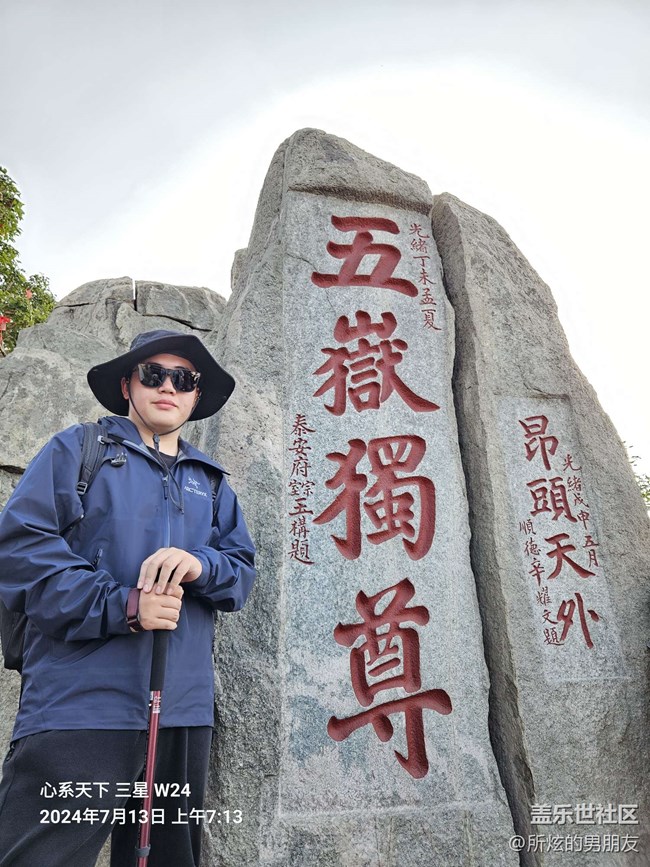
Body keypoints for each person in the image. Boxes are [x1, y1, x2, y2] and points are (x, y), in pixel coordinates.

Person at [0, 329, 256, 867]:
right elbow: (20, 552)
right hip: (79, 707)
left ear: (195, 394)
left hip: (181, 713)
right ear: (126, 384)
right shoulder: (78, 451)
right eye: (153, 373)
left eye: (183, 379)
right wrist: (126, 606)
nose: (168, 387)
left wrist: (200, 564)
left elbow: (240, 573)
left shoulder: (212, 484)